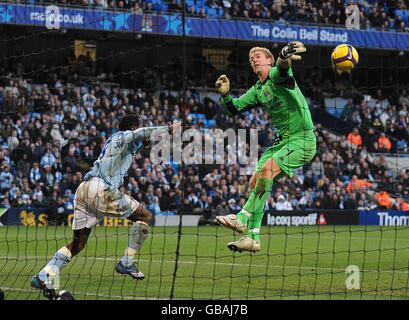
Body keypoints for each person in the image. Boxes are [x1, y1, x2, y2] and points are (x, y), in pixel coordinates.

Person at [31, 113, 179, 291]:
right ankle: (126, 261)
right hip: (101, 190)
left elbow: (137, 143)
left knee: (78, 244)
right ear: (133, 127)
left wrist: (144, 142)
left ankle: (43, 275)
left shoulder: (114, 140)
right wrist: (168, 130)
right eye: (137, 127)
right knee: (146, 216)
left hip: (84, 189)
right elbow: (141, 134)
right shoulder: (125, 135)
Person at [214, 41, 316, 253]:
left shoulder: (277, 77)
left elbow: (283, 66)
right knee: (255, 180)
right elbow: (235, 108)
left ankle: (241, 217)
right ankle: (253, 238)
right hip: (282, 141)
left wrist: (284, 54)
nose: (254, 61)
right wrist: (225, 96)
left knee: (268, 169)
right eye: (251, 60)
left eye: (258, 57)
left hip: (302, 139)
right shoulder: (258, 89)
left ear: (269, 60)